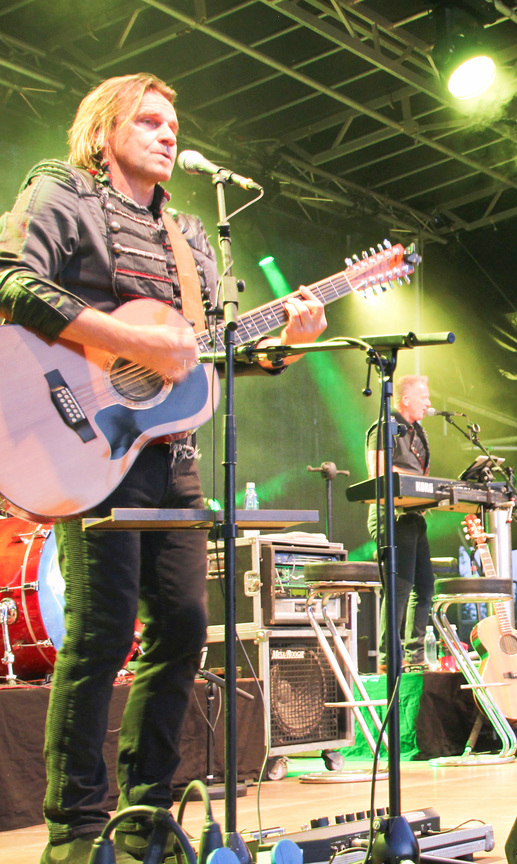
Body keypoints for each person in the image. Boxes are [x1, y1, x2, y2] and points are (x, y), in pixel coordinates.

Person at [0, 73, 326, 864]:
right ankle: (77, 829)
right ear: (103, 129)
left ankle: (145, 814)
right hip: (83, 439)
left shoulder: (189, 236)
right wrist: (128, 339)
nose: (168, 133)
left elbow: (198, 359)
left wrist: (284, 346)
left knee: (181, 627)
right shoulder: (63, 191)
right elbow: (9, 279)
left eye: (172, 123)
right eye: (148, 120)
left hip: (168, 453)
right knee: (102, 632)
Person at [366, 373, 436, 672]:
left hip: (414, 517)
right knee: (400, 588)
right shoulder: (384, 428)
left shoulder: (417, 432)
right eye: (424, 397)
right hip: (391, 517)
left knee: (425, 588)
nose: (429, 403)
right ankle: (388, 659)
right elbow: (378, 472)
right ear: (405, 399)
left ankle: (415, 656)